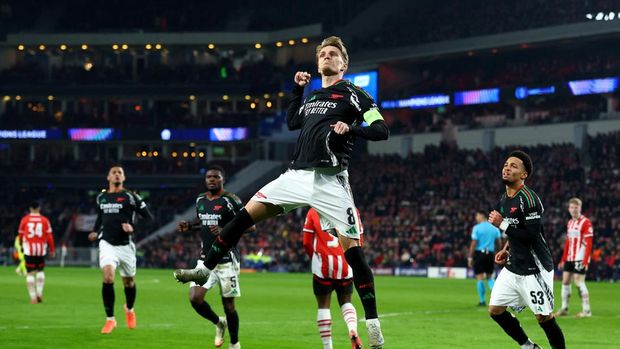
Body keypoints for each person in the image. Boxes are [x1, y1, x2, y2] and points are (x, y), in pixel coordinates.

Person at [174, 36, 388, 349]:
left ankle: (373, 325)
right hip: (295, 176)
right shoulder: (313, 96)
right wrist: (298, 91)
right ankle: (203, 269)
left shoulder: (356, 95)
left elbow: (381, 130)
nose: (327, 57)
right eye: (323, 54)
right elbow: (291, 122)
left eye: (334, 54)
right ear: (318, 64)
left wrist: (352, 128)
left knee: (353, 252)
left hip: (331, 181)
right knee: (245, 216)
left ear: (344, 64)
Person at [487, 150, 566, 349]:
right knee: (495, 309)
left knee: (544, 318)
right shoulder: (504, 199)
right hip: (514, 267)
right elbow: (515, 230)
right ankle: (528, 346)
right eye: (506, 164)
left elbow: (530, 235)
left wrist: (502, 225)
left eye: (513, 166)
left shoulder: (529, 200)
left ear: (524, 175)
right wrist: (506, 249)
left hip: (535, 268)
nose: (507, 168)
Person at [177, 165, 252, 349]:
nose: (211, 179)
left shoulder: (231, 200)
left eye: (215, 177)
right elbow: (204, 223)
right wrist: (190, 227)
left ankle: (234, 343)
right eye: (209, 177)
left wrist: (225, 231)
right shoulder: (200, 200)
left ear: (222, 179)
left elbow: (250, 226)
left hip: (227, 261)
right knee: (195, 298)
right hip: (205, 259)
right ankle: (219, 323)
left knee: (229, 306)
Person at [88, 165, 154, 334]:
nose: (117, 175)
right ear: (108, 177)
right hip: (107, 243)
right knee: (108, 276)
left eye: (120, 173)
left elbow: (149, 218)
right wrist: (95, 231)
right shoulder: (101, 197)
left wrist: (132, 227)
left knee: (128, 282)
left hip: (125, 246)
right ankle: (110, 319)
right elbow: (100, 217)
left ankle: (129, 309)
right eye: (114, 172)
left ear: (123, 178)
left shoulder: (131, 197)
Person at [303, 208, 363, 349]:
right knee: (346, 302)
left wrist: (314, 258)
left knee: (323, 306)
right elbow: (360, 239)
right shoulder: (352, 209)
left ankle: (327, 347)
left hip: (323, 266)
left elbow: (306, 242)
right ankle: (352, 329)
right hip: (345, 263)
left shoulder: (314, 210)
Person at [556, 197, 593, 318]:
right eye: (572, 207)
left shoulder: (586, 222)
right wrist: (563, 259)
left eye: (576, 207)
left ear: (580, 208)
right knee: (565, 281)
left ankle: (586, 310)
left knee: (578, 282)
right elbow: (568, 242)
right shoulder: (570, 223)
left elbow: (589, 242)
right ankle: (564, 308)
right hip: (570, 257)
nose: (574, 210)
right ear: (569, 209)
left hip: (580, 257)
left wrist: (586, 259)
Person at [17, 202, 55, 304]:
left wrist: (21, 245)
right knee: (40, 271)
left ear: (30, 208)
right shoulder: (44, 220)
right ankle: (39, 293)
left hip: (29, 250)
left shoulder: (25, 219)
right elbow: (50, 237)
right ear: (39, 208)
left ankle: (33, 297)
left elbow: (20, 236)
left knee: (30, 273)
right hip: (41, 250)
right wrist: (52, 250)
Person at [467, 211, 501, 306]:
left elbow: (474, 243)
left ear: (482, 216)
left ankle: (482, 301)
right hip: (490, 254)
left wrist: (470, 257)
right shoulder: (494, 228)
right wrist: (498, 253)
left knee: (480, 277)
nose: (476, 218)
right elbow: (499, 243)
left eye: (477, 215)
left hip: (479, 254)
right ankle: (498, 299)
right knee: (490, 277)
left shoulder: (477, 228)